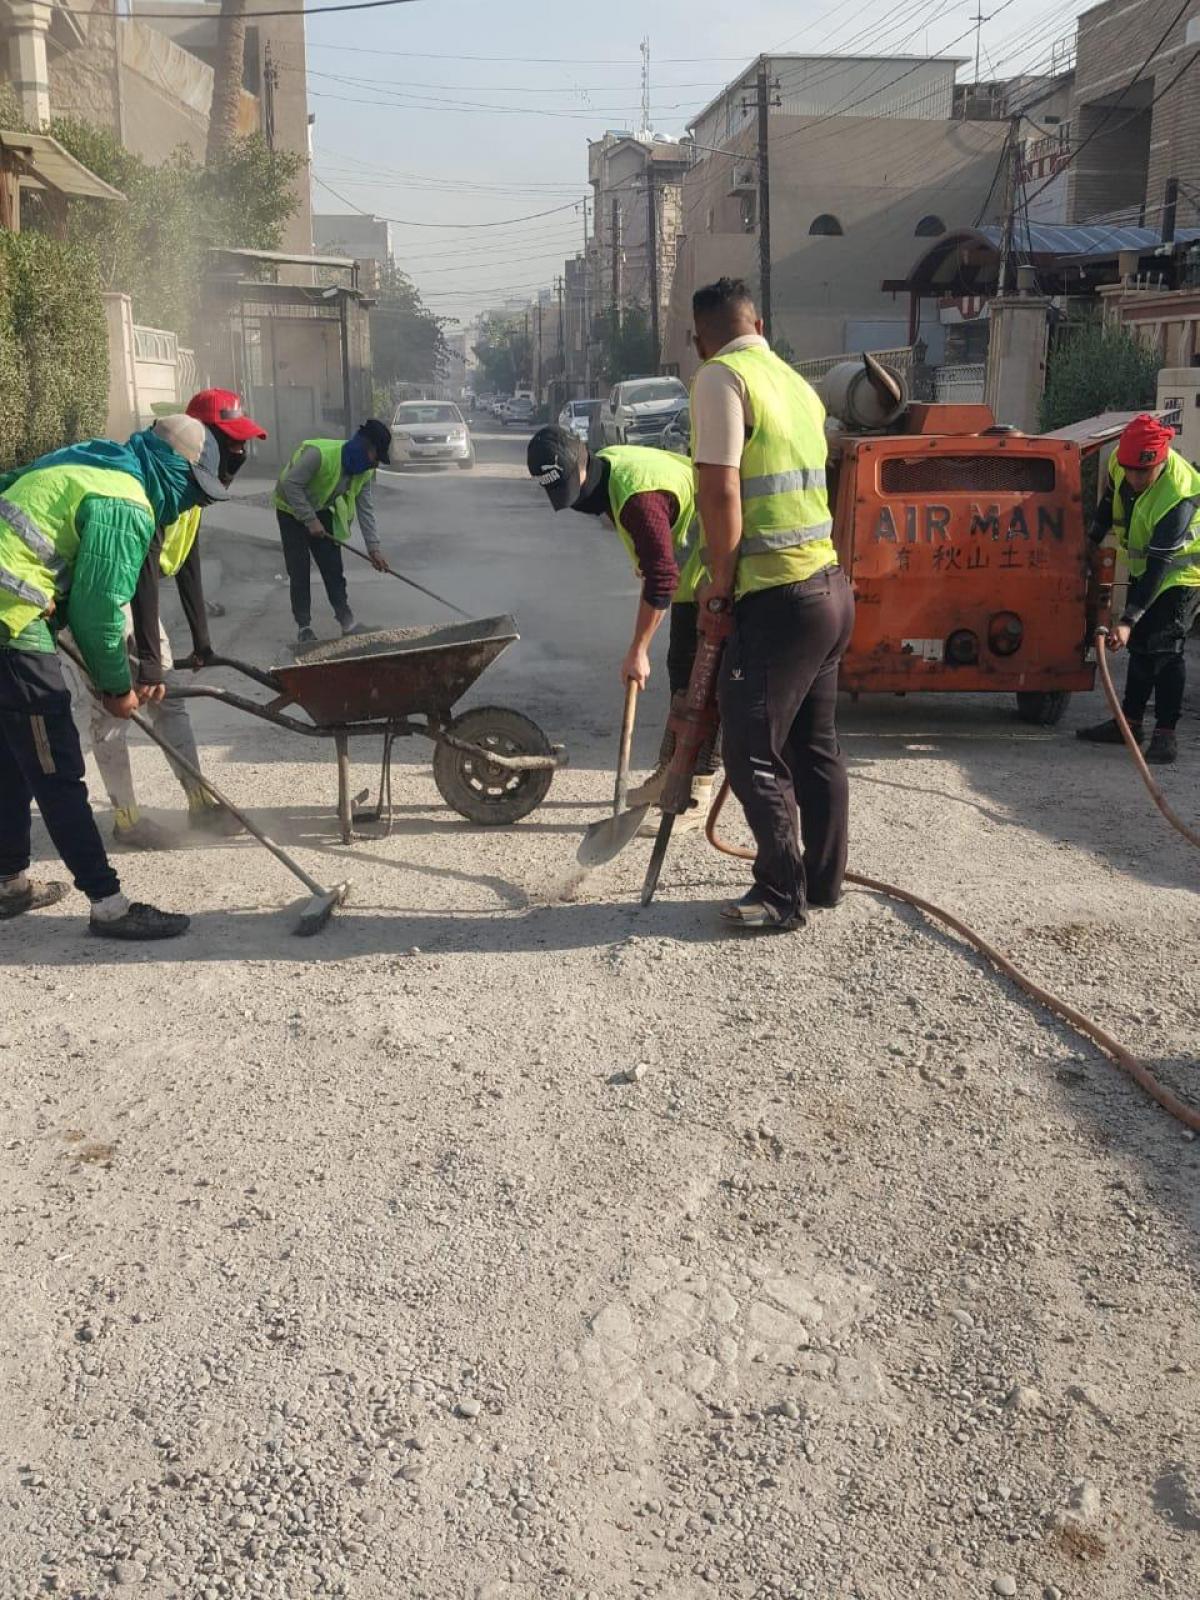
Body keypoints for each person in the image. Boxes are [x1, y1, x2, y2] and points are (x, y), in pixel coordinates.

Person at [0, 415, 227, 938]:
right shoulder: (127, 502)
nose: (188, 504)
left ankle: (8, 883)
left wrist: (46, 599)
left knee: (12, 760)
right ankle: (109, 905)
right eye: (192, 490)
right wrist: (117, 689)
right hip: (10, 625)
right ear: (174, 468)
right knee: (57, 769)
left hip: (13, 611)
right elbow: (99, 611)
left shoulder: (96, 462)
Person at [689, 276, 854, 931]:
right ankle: (824, 882)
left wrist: (719, 583)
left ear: (700, 340)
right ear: (758, 325)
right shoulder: (796, 383)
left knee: (752, 750)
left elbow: (721, 491)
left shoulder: (720, 378)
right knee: (815, 747)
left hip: (777, 595)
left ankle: (781, 895)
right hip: (829, 588)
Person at [87, 389, 268, 849]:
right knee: (112, 705)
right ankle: (127, 819)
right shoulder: (161, 476)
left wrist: (201, 638)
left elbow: (187, 560)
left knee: (169, 699)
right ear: (203, 434)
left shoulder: (195, 480)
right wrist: (149, 661)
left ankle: (199, 802)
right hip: (101, 592)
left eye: (243, 442)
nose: (240, 451)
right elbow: (143, 571)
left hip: (132, 591)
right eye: (232, 441)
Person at [526, 424, 716, 829]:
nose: (574, 503)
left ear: (582, 462)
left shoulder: (636, 497)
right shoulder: (609, 471)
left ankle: (695, 790)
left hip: (722, 575)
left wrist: (638, 650)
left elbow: (662, 577)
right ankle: (672, 772)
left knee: (705, 684)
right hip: (695, 579)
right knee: (683, 672)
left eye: (571, 489)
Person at [1077, 413, 1200, 765]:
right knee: (1142, 647)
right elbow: (1108, 501)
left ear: (1160, 461)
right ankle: (1128, 724)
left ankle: (1165, 734)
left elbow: (1161, 564)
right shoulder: (1122, 462)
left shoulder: (1179, 494)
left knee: (1166, 648)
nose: (1134, 479)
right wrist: (1090, 542)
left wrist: (1128, 619)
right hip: (1145, 567)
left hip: (1180, 574)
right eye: (1130, 470)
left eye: (1143, 473)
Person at [273, 420, 393, 646]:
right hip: (290, 510)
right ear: (365, 447)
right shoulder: (319, 455)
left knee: (333, 568)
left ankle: (348, 623)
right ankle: (304, 627)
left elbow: (366, 510)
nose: (376, 464)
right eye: (376, 457)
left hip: (320, 509)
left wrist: (374, 548)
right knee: (299, 569)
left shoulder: (363, 472)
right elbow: (290, 485)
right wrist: (310, 520)